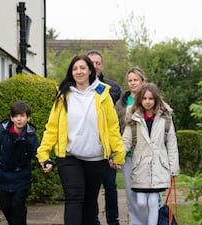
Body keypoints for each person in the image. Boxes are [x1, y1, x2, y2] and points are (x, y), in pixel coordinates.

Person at [37, 55, 126, 225]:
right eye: (75, 68)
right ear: (71, 72)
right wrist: (43, 152)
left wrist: (118, 153)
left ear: (90, 70)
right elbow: (52, 126)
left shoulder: (102, 93)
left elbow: (112, 126)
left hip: (96, 158)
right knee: (74, 198)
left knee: (89, 201)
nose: (79, 71)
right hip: (69, 156)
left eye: (83, 68)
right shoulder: (63, 94)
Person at [122, 83, 180, 225]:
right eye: (145, 98)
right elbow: (126, 141)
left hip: (158, 165)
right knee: (141, 202)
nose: (148, 101)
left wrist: (173, 168)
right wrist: (117, 157)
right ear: (140, 100)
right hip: (140, 165)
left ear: (156, 99)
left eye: (151, 98)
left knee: (154, 201)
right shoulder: (133, 120)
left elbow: (171, 143)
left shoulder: (165, 118)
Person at [0, 101, 39, 225]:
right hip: (3, 176)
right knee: (4, 206)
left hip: (22, 176)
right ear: (11, 118)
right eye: (15, 116)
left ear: (28, 118)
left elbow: (37, 151)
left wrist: (45, 162)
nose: (19, 119)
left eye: (22, 116)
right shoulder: (0, 133)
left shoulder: (31, 136)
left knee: (17, 206)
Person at [87, 49, 122, 225]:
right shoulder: (77, 88)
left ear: (102, 65)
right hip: (88, 146)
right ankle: (93, 220)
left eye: (98, 63)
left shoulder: (113, 88)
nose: (95, 66)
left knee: (110, 186)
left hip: (106, 146)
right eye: (91, 63)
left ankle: (113, 219)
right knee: (91, 189)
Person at [114, 67, 148, 225]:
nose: (133, 83)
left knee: (148, 195)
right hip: (127, 154)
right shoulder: (121, 103)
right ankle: (136, 222)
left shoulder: (150, 99)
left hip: (146, 155)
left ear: (142, 81)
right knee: (131, 193)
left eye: (136, 80)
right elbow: (114, 127)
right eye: (130, 80)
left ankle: (150, 220)